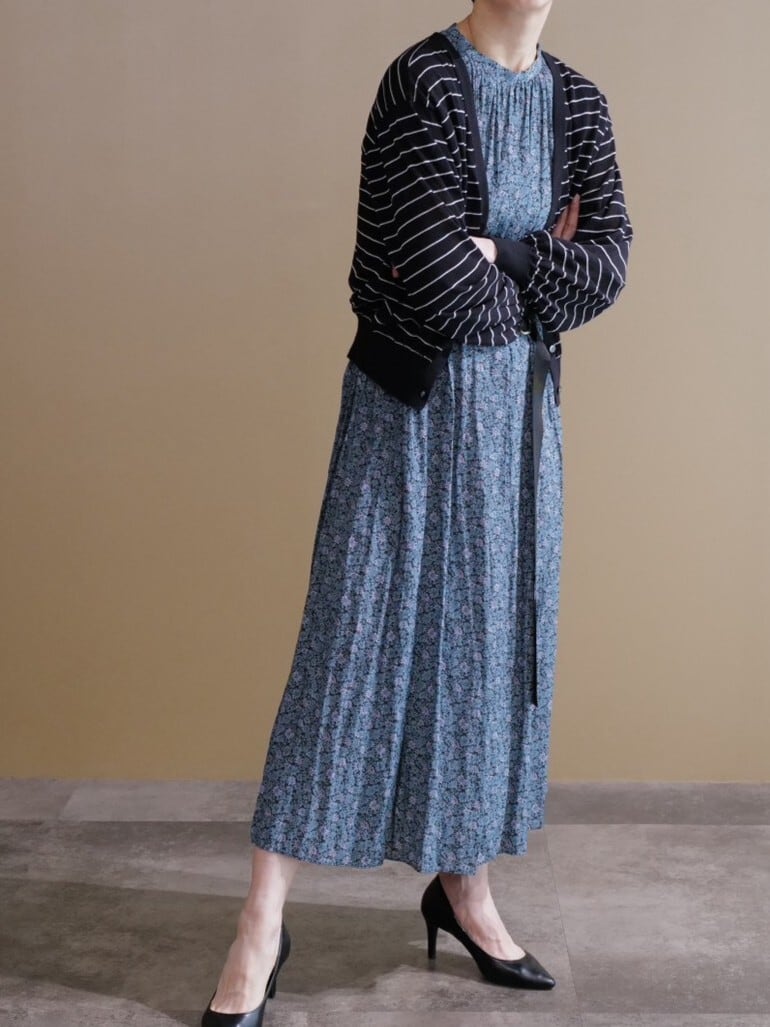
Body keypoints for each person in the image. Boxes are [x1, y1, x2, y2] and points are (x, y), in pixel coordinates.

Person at [201, 0, 632, 1023]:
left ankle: (463, 888)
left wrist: (505, 254)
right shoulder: (422, 85)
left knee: (485, 659)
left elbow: (607, 267)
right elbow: (441, 286)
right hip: (408, 416)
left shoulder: (579, 103)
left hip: (517, 436)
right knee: (350, 649)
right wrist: (532, 263)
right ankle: (261, 923)